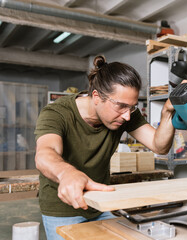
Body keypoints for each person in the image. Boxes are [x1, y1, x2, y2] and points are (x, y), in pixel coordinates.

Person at [34, 55, 175, 239]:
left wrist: (167, 114)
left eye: (131, 108)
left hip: (101, 203)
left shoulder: (126, 114)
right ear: (96, 97)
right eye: (121, 107)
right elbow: (45, 153)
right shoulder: (57, 113)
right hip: (63, 209)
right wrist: (66, 174)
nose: (127, 116)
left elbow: (159, 145)